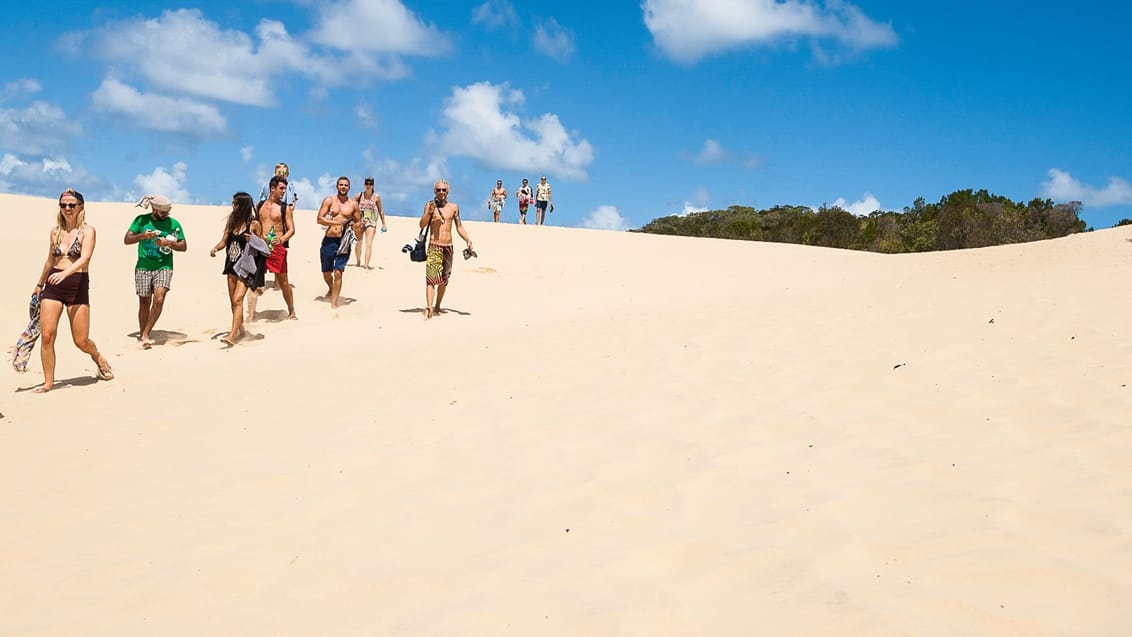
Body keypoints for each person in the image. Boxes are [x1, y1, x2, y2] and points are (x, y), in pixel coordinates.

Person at [31, 189, 113, 392]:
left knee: (81, 340)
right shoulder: (55, 231)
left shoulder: (88, 231)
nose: (67, 209)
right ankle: (48, 382)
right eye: (63, 205)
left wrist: (66, 273)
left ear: (80, 207)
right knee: (48, 335)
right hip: (53, 285)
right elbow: (50, 259)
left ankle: (98, 358)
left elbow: (84, 258)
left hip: (76, 284)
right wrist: (40, 283)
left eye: (71, 205)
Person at [124, 194, 187, 349]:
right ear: (154, 209)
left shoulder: (174, 224)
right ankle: (142, 333)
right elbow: (127, 239)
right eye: (163, 212)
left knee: (159, 299)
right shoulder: (141, 221)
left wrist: (169, 243)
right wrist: (143, 236)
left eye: (167, 212)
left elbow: (184, 246)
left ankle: (146, 333)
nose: (166, 215)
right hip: (144, 266)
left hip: (164, 266)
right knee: (144, 301)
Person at [210, 192, 265, 346]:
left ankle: (232, 336)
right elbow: (224, 241)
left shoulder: (254, 224)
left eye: (235, 203)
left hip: (245, 267)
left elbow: (263, 247)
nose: (233, 206)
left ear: (243, 205)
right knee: (233, 303)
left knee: (238, 299)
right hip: (230, 265)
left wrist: (252, 239)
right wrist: (216, 248)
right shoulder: (232, 221)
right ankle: (242, 331)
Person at [418, 179, 473, 319]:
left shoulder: (453, 207)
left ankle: (437, 305)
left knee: (444, 280)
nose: (441, 192)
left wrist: (467, 239)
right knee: (431, 279)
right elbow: (422, 225)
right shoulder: (429, 205)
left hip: (448, 247)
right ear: (434, 191)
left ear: (448, 191)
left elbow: (459, 226)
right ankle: (429, 307)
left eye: (443, 190)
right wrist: (429, 213)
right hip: (434, 246)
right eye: (438, 190)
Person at [317, 176, 362, 309]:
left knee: (338, 272)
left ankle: (334, 303)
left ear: (349, 187)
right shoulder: (329, 201)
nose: (343, 187)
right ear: (337, 186)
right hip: (329, 239)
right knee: (326, 273)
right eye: (341, 185)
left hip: (344, 241)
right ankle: (331, 287)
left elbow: (358, 221)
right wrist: (334, 222)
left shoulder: (353, 204)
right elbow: (319, 219)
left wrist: (356, 225)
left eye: (346, 185)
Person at [258, 175, 298, 319]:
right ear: (272, 188)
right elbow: (255, 224)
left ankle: (292, 310)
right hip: (260, 247)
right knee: (253, 280)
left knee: (283, 282)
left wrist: (281, 240)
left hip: (277, 248)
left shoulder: (284, 208)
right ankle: (251, 315)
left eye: (285, 189)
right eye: (281, 188)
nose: (283, 191)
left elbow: (292, 230)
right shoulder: (260, 206)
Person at [354, 176, 386, 269]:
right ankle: (358, 261)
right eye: (367, 183)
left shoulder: (376, 197)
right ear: (364, 184)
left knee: (369, 244)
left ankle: (366, 265)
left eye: (370, 184)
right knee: (359, 242)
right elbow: (351, 205)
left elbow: (380, 210)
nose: (368, 185)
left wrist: (384, 223)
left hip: (371, 222)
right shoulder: (359, 195)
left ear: (373, 185)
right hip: (360, 221)